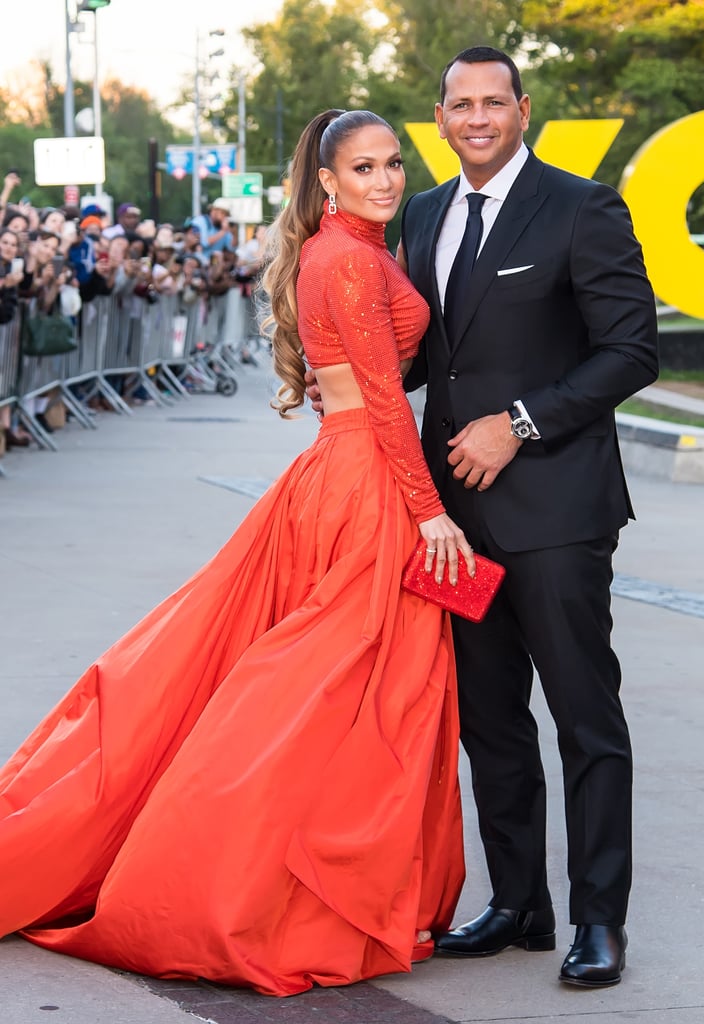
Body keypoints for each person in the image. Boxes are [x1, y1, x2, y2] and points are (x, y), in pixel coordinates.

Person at [0, 109, 474, 997]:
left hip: (337, 474)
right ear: (325, 182)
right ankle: (228, 886)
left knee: (335, 690)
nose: (384, 180)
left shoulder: (347, 254)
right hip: (366, 481)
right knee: (338, 693)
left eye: (392, 165)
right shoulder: (348, 262)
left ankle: (288, 880)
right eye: (362, 169)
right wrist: (428, 514)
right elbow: (380, 400)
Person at [398, 46, 659, 987]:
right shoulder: (420, 214)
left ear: (523, 109)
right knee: (489, 722)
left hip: (557, 509)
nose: (476, 117)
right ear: (439, 118)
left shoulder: (582, 206)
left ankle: (599, 921)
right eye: (459, 104)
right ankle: (518, 905)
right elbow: (429, 358)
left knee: (585, 719)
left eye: (492, 102)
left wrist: (519, 423)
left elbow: (631, 350)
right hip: (451, 523)